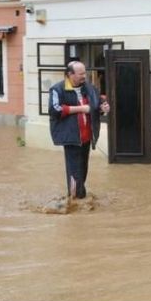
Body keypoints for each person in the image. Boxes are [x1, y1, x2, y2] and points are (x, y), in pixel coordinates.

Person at [48, 61, 110, 199]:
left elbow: (97, 105)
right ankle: (76, 200)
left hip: (87, 137)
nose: (84, 76)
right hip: (71, 138)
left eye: (84, 73)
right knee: (74, 173)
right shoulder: (57, 89)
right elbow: (54, 110)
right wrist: (80, 108)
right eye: (81, 74)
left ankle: (77, 199)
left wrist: (103, 108)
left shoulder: (89, 88)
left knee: (82, 171)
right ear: (70, 74)